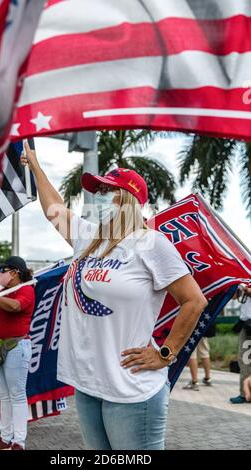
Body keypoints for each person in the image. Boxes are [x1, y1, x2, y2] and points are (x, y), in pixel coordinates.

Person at [22, 142, 207, 451]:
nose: (99, 198)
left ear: (129, 200)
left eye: (107, 191)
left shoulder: (151, 244)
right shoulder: (90, 239)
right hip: (89, 384)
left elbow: (194, 300)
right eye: (99, 191)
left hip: (131, 389)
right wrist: (37, 166)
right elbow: (53, 208)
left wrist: (165, 354)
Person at [0, 256, 35, 451]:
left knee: (17, 395)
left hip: (16, 347)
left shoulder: (26, 289)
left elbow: (15, 306)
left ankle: (19, 441)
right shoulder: (1, 291)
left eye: (4, 270)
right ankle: (5, 438)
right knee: (4, 395)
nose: (0, 274)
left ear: (15, 273)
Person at [230, 285, 251, 404]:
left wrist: (245, 289)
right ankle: (244, 393)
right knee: (245, 360)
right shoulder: (245, 274)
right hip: (246, 324)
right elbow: (233, 297)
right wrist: (235, 287)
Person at [183, 323, 215, 391]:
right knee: (204, 353)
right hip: (204, 325)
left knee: (191, 354)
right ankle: (207, 378)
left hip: (192, 326)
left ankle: (195, 382)